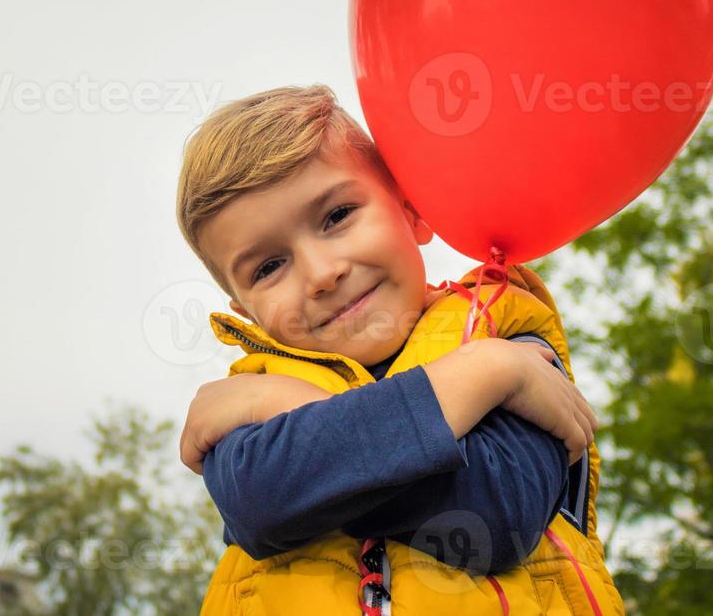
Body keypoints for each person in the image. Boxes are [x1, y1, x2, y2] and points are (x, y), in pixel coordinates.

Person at [175, 84, 626, 614]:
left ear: (412, 208)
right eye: (269, 267)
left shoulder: (507, 340)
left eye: (337, 215)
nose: (322, 274)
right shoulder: (247, 393)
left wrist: (488, 366)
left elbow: (495, 518)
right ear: (248, 311)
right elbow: (262, 501)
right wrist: (479, 383)